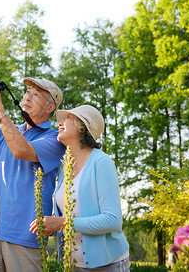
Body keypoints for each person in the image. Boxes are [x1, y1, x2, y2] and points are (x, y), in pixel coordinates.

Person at [0, 76, 66, 272]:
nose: (28, 97)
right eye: (27, 92)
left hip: (25, 235)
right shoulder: (7, 130)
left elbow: (22, 150)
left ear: (51, 108)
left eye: (36, 94)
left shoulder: (55, 139)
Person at [29, 104, 130, 272]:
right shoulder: (64, 167)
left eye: (68, 118)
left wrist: (62, 223)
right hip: (72, 264)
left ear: (82, 127)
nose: (60, 122)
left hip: (108, 264)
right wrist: (51, 226)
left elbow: (113, 220)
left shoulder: (101, 162)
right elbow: (72, 215)